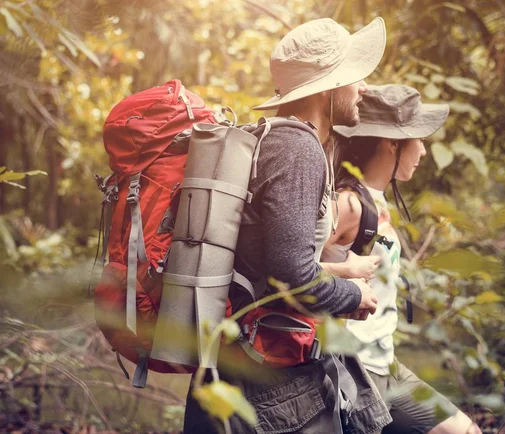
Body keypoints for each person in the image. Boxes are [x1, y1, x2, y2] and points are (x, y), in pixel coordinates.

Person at [183, 18, 394, 434]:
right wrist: (353, 294)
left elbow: (269, 261)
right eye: (354, 77)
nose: (363, 87)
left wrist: (342, 271)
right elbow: (290, 275)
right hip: (272, 387)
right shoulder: (298, 148)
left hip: (249, 366)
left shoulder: (277, 139)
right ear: (329, 87)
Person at [322, 84, 483, 434]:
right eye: (419, 139)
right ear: (392, 143)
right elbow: (287, 266)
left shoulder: (375, 200)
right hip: (355, 372)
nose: (423, 150)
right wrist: (343, 270)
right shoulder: (348, 203)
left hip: (386, 366)